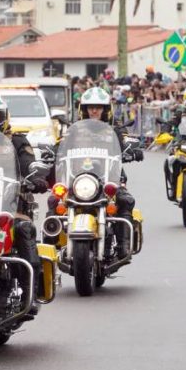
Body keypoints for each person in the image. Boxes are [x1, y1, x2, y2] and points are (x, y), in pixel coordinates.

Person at [0, 91, 47, 305]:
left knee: (24, 230)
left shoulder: (17, 142)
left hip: (9, 207)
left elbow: (28, 164)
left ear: (1, 117)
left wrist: (35, 176)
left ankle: (29, 293)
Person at [75, 87, 142, 258]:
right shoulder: (74, 130)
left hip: (109, 178)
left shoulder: (114, 130)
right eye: (91, 107)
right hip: (79, 181)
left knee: (125, 200)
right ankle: (53, 241)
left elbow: (123, 143)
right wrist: (52, 151)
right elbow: (60, 145)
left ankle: (123, 244)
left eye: (99, 107)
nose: (95, 110)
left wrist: (132, 150)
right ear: (84, 109)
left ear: (106, 109)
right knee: (55, 200)